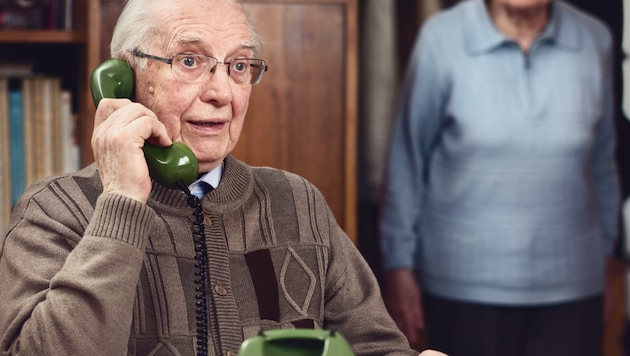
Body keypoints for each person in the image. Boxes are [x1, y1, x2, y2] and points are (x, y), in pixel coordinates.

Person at [0, 0, 446, 355]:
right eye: (190, 60)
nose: (221, 93)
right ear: (123, 76)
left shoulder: (297, 200)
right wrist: (121, 202)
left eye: (239, 66)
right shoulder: (54, 211)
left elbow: (375, 347)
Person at [379, 0, 620, 355]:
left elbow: (603, 163)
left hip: (573, 287)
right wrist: (398, 265)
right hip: (462, 287)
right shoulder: (441, 38)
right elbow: (407, 161)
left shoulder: (594, 39)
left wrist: (605, 264)